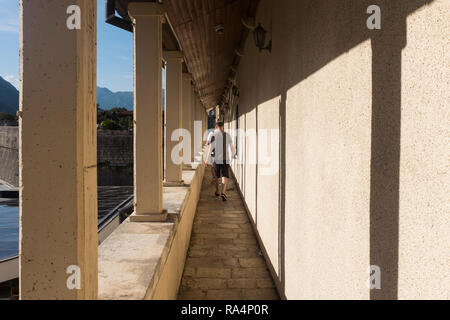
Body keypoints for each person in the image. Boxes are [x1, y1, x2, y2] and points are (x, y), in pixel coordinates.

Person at [206, 121, 236, 201]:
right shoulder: (227, 135)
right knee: (224, 175)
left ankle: (217, 191)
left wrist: (207, 160)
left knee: (216, 176)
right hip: (225, 158)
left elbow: (210, 148)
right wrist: (233, 154)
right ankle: (223, 192)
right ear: (223, 126)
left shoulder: (213, 135)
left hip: (216, 158)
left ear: (216, 126)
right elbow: (232, 146)